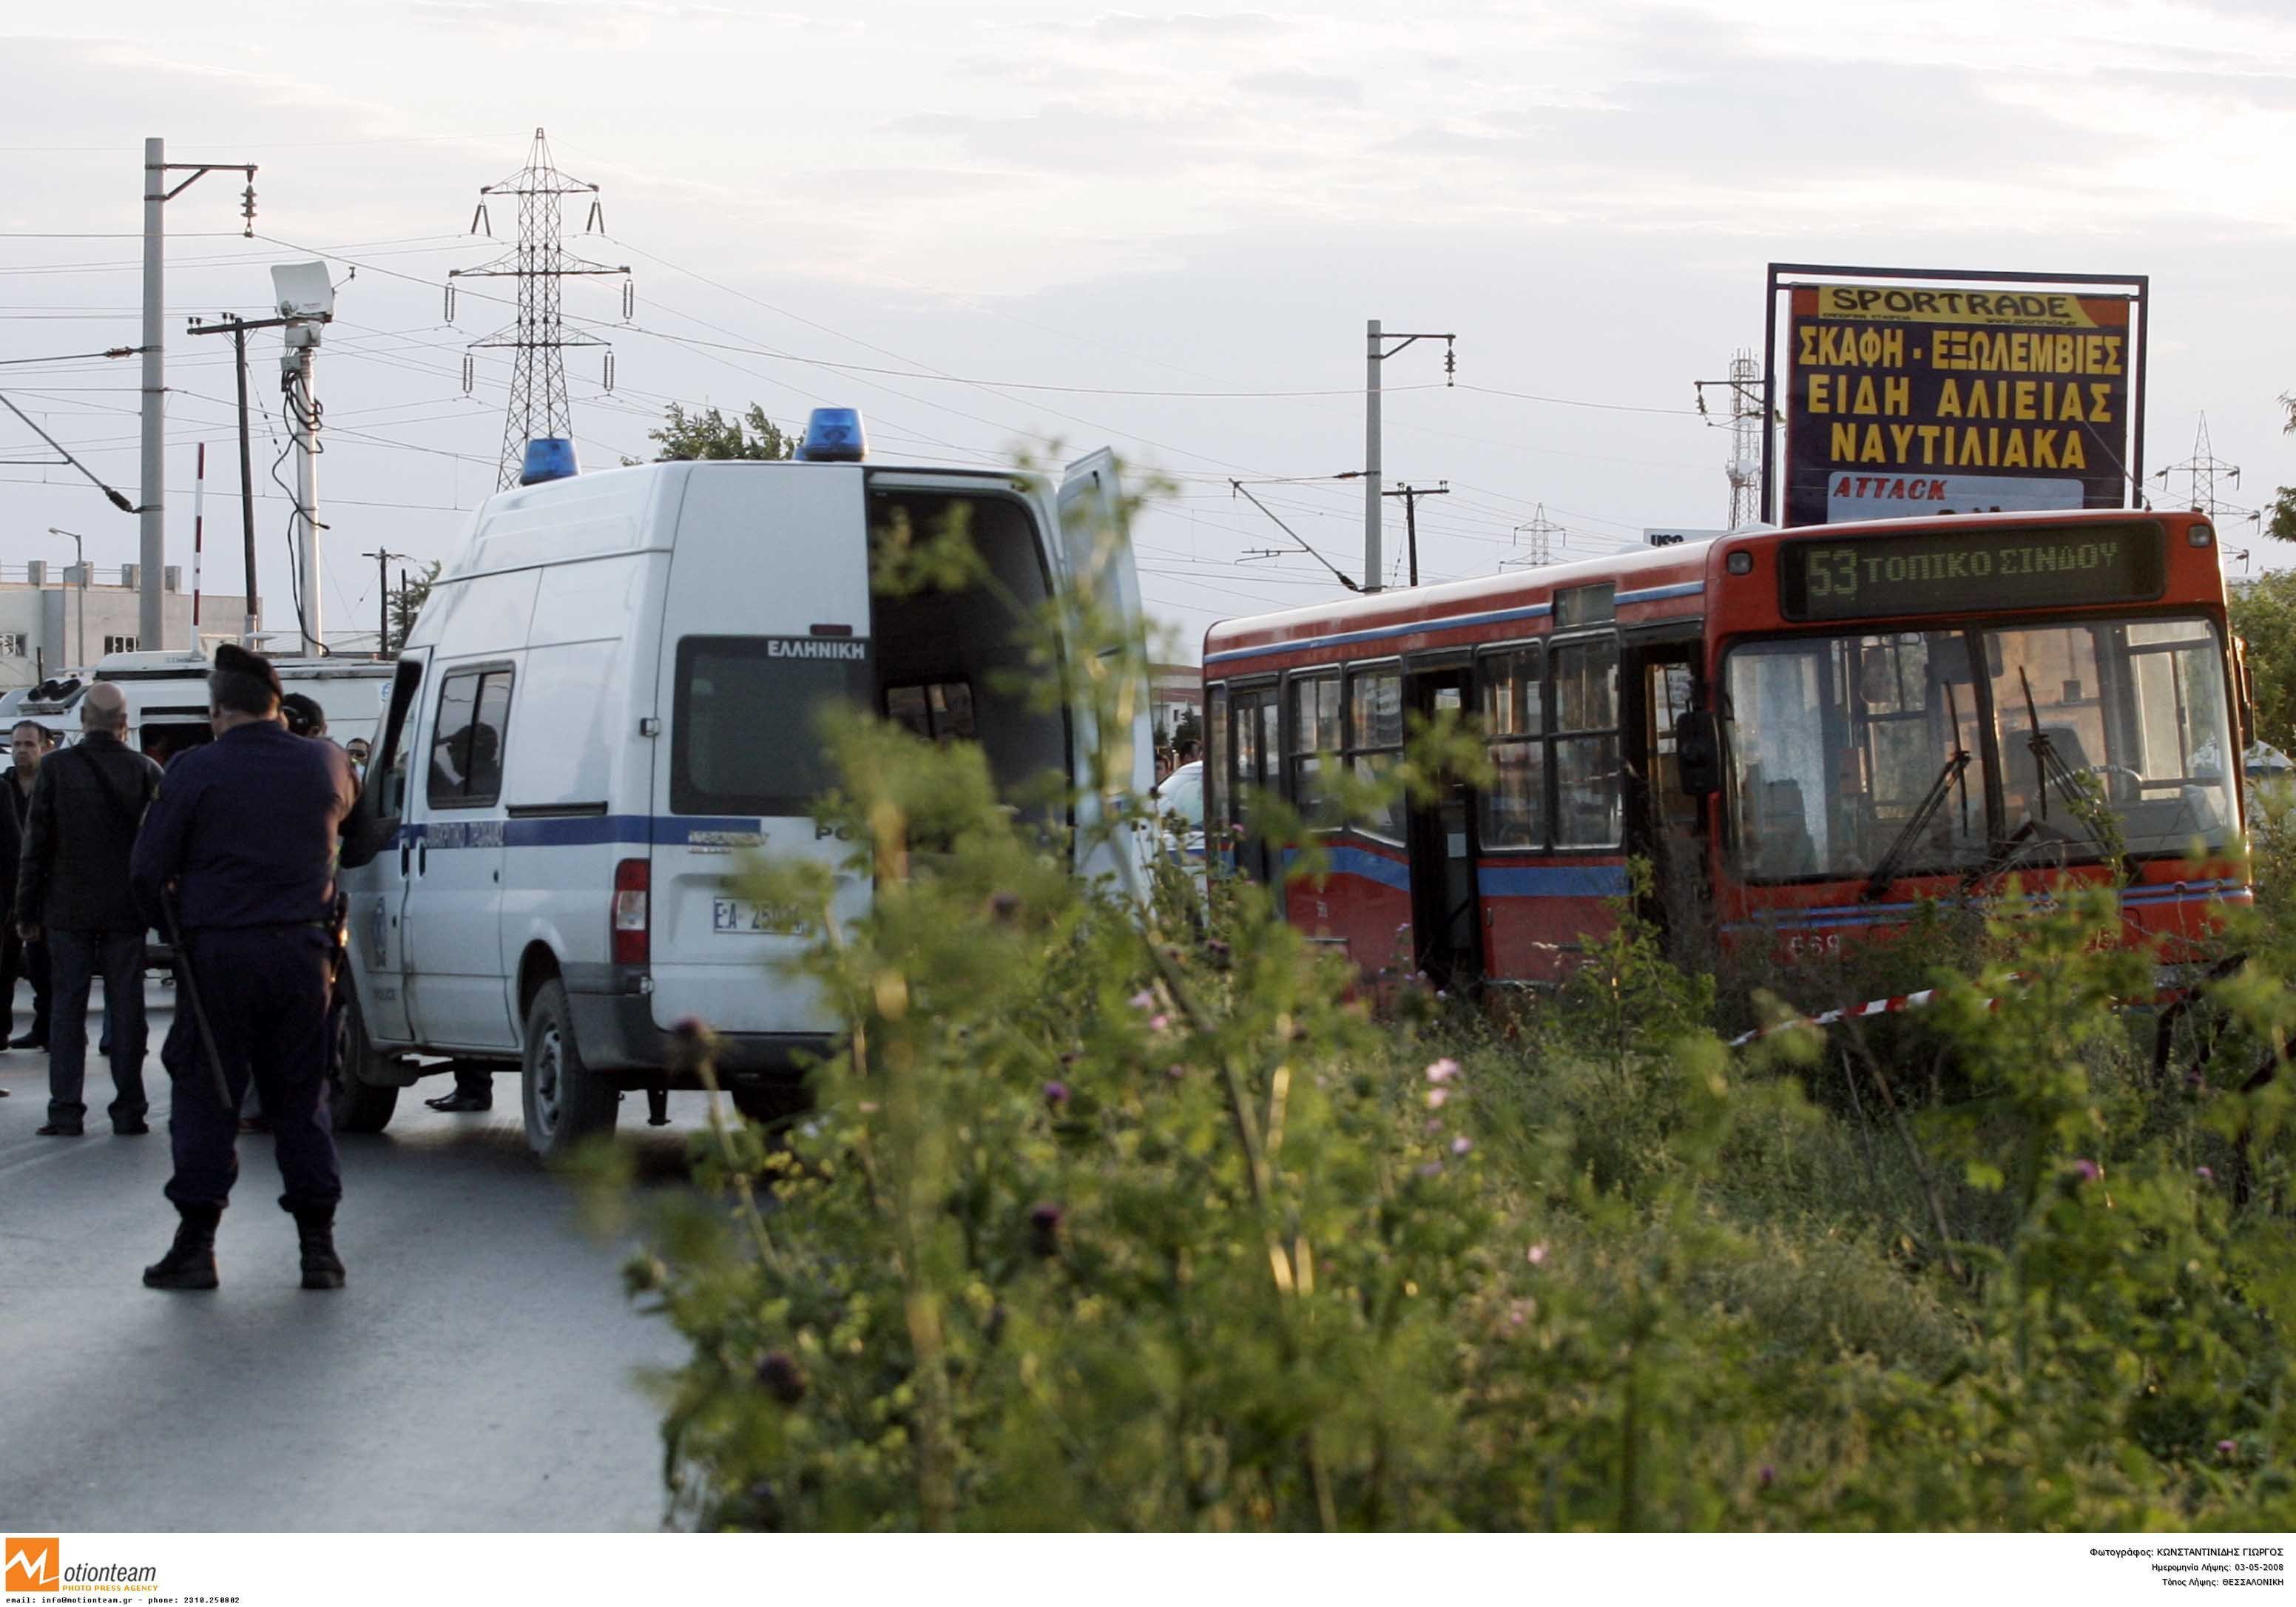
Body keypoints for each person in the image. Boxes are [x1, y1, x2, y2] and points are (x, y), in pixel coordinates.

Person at [131, 645, 359, 1293]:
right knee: (301, 1096)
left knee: (207, 1095)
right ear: (276, 707)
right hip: (304, 956)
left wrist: (172, 932)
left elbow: (147, 871)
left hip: (218, 956)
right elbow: (362, 836)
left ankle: (196, 1246)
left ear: (218, 711)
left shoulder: (197, 769)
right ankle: (320, 1250)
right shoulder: (329, 762)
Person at [16, 684, 163, 1136]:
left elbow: (36, 843)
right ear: (124, 724)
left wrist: (27, 909)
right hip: (126, 911)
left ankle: (65, 1110)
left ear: (82, 723)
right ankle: (129, 1110)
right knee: (127, 1008)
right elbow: (159, 845)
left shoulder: (56, 769)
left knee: (67, 1010)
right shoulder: (146, 770)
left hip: (67, 909)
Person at [1, 721, 57, 1051]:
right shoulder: (4, 785)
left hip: (44, 888)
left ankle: (47, 1027)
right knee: (6, 966)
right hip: (7, 888)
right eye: (17, 744)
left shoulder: (52, 786)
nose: (22, 750)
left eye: (29, 744)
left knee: (42, 965)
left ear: (45, 747)